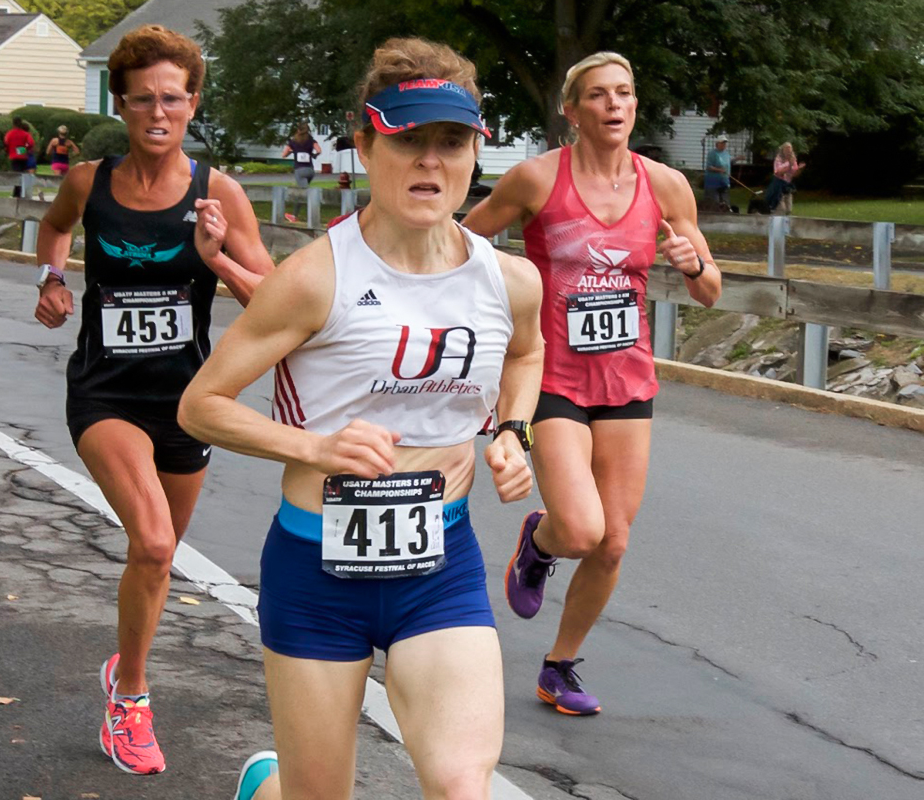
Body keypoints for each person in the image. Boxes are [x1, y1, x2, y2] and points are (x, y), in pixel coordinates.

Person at [178, 37, 545, 800]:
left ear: (477, 150)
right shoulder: (315, 279)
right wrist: (317, 445)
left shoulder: (509, 280)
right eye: (408, 141)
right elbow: (201, 406)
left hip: (439, 567)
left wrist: (512, 431)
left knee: (461, 788)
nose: (430, 163)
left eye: (451, 143)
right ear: (365, 143)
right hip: (317, 574)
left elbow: (526, 355)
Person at [31, 23, 274, 775]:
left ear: (192, 104)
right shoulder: (88, 181)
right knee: (157, 542)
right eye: (143, 101)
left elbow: (274, 299)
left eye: (172, 99)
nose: (157, 114)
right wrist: (49, 278)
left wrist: (218, 255)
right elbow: (53, 228)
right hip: (104, 393)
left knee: (157, 561)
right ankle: (130, 700)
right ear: (122, 104)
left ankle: (122, 668)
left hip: (187, 400)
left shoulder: (219, 192)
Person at [464, 51, 722, 716]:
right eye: (600, 95)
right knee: (579, 531)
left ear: (636, 105)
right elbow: (463, 245)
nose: (615, 105)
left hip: (627, 378)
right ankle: (540, 542)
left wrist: (694, 264)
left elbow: (711, 293)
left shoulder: (665, 186)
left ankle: (559, 666)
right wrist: (513, 299)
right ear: (571, 110)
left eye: (626, 94)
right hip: (552, 373)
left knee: (614, 539)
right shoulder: (534, 180)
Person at [280, 122, 322, 222]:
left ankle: (296, 215)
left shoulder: (293, 141)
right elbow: (319, 150)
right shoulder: (311, 140)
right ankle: (302, 213)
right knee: (304, 190)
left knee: (301, 193)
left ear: (298, 130)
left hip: (300, 170)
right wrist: (314, 155)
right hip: (310, 170)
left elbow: (284, 155)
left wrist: (291, 151)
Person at [766, 142, 805, 215]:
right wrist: (789, 164)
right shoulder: (778, 159)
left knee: (789, 210)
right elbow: (779, 172)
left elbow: (794, 174)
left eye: (790, 150)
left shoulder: (793, 160)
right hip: (778, 186)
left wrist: (799, 169)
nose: (788, 152)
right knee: (781, 209)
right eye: (786, 150)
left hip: (787, 186)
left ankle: (785, 223)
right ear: (783, 151)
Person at [704, 134, 732, 212]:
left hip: (724, 180)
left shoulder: (726, 153)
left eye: (725, 143)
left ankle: (726, 213)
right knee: (715, 201)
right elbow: (709, 167)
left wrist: (738, 158)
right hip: (713, 180)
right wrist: (719, 170)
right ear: (717, 144)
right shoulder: (712, 154)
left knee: (725, 200)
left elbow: (729, 161)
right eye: (722, 143)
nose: (724, 145)